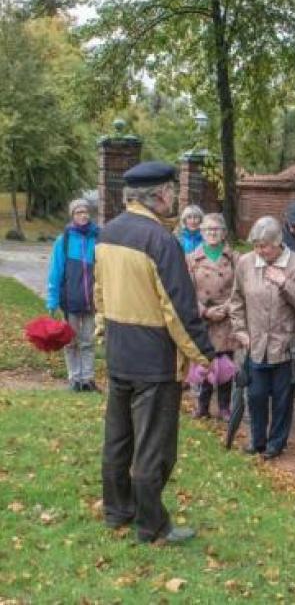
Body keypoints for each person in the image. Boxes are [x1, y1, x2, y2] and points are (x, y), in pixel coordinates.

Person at [96, 161, 215, 545]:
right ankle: (153, 526)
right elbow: (178, 309)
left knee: (118, 439)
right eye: (172, 192)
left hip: (119, 351)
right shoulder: (160, 241)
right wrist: (208, 357)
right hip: (153, 359)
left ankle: (117, 510)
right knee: (154, 447)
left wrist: (104, 330)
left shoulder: (108, 232)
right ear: (161, 194)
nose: (174, 198)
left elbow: (98, 292)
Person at [229, 216, 295, 459]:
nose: (259, 251)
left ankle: (276, 443)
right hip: (254, 344)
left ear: (278, 242)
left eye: (264, 246)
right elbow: (236, 300)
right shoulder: (245, 263)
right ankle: (258, 440)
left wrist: (284, 283)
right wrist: (240, 330)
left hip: (285, 344)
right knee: (255, 396)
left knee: (282, 399)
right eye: (255, 246)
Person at [186, 213, 240, 420]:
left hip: (226, 318)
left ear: (224, 232)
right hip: (204, 319)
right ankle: (202, 405)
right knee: (204, 361)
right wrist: (204, 311)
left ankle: (224, 406)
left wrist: (226, 308)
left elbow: (240, 288)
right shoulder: (192, 259)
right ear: (201, 232)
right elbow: (186, 291)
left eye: (216, 229)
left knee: (226, 363)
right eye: (208, 229)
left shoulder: (234, 258)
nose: (212, 233)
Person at [46, 197, 99, 392]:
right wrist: (52, 300)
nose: (83, 215)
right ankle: (74, 378)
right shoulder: (64, 241)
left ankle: (88, 379)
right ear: (72, 215)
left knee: (88, 341)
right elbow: (55, 271)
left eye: (86, 212)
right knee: (70, 341)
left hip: (92, 300)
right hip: (70, 300)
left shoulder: (97, 238)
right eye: (78, 212)